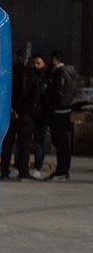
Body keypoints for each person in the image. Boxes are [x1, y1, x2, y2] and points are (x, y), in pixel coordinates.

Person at [0, 52, 43, 180]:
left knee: (7, 143)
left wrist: (11, 109)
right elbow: (32, 95)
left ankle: (4, 171)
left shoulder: (9, 74)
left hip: (10, 113)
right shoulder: (30, 75)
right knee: (24, 144)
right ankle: (23, 171)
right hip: (25, 114)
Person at [43, 51, 78, 181]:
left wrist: (50, 107)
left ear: (54, 59)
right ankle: (64, 170)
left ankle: (61, 171)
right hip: (66, 110)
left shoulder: (59, 73)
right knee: (64, 143)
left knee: (59, 142)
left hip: (57, 112)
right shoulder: (72, 73)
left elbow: (56, 92)